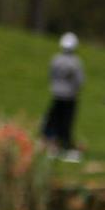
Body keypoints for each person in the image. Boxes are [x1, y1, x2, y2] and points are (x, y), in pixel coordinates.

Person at [43, 33, 86, 161]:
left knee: (54, 121)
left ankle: (53, 146)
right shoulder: (75, 62)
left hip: (56, 95)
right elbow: (80, 81)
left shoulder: (55, 59)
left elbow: (50, 75)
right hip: (69, 97)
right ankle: (66, 147)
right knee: (66, 123)